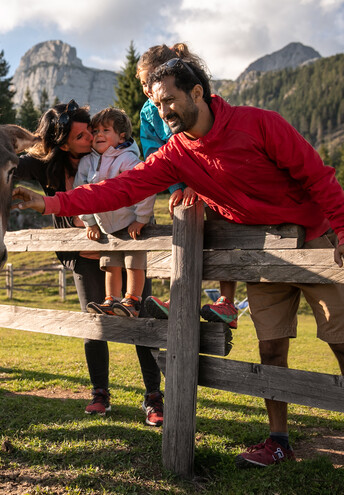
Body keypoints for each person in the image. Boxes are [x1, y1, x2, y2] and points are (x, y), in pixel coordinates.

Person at [13, 44, 344, 486]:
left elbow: (317, 175)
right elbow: (120, 189)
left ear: (197, 92)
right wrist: (49, 202)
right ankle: (279, 440)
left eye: (169, 101)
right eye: (156, 105)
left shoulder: (260, 124)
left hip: (313, 239)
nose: (162, 112)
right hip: (262, 253)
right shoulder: (178, 153)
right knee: (271, 347)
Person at [14, 100, 165, 426]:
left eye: (95, 131)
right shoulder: (48, 164)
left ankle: (154, 395)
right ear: (63, 141)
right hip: (84, 256)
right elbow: (12, 165)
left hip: (125, 247)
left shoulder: (111, 156)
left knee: (142, 320)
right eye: (83, 134)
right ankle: (100, 393)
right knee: (94, 322)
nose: (92, 137)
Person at [135, 44, 239, 328]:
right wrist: (177, 187)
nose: (147, 89)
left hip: (213, 180)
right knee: (184, 233)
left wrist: (199, 183)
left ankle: (227, 302)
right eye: (143, 83)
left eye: (149, 81)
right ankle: (181, 297)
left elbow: (207, 143)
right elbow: (154, 151)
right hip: (183, 184)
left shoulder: (198, 98)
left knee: (222, 234)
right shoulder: (148, 112)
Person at [74, 107, 155, 318]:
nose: (99, 134)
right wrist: (89, 222)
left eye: (106, 130)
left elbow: (144, 188)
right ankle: (112, 300)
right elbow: (80, 193)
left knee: (133, 262)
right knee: (110, 264)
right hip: (106, 227)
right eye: (96, 130)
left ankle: (133, 300)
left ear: (121, 136)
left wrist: (141, 219)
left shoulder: (127, 160)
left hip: (131, 224)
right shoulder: (87, 162)